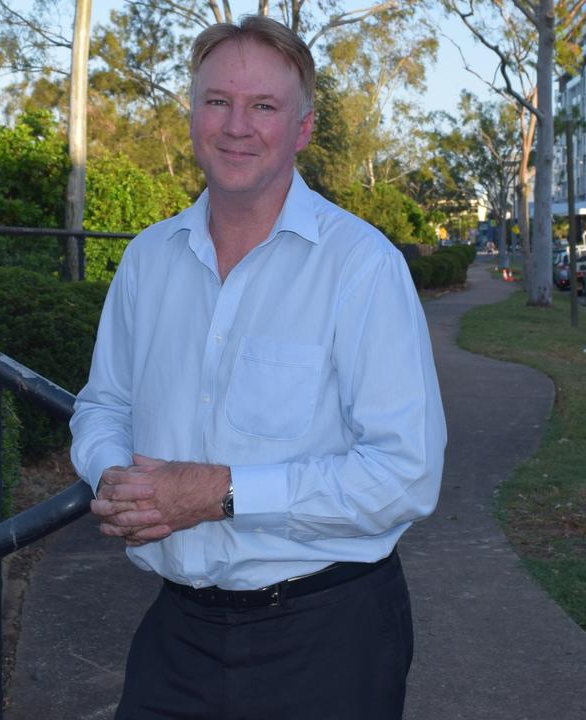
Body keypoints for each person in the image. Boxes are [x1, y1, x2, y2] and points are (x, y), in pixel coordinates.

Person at [69, 14, 446, 720]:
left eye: (263, 106)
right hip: (178, 633)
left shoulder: (361, 268)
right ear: (192, 116)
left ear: (301, 129)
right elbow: (103, 404)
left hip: (328, 634)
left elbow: (406, 473)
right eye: (218, 101)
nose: (236, 125)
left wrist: (222, 492)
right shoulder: (148, 260)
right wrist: (115, 478)